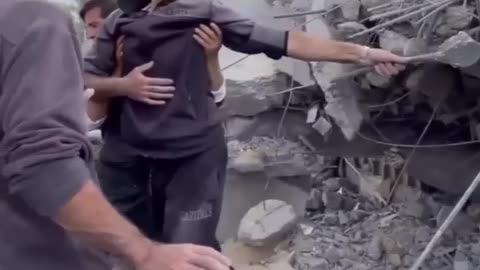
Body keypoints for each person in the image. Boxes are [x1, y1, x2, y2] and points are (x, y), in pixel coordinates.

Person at [84, 0, 407, 251]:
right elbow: (82, 79)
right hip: (126, 161)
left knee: (188, 250)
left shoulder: (204, 14)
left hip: (192, 159)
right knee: (129, 248)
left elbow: (287, 41)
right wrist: (123, 86)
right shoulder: (118, 24)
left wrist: (363, 53)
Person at [0, 1, 232, 270]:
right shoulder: (65, 43)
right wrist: (121, 83)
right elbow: (87, 119)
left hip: (190, 160)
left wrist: (211, 58)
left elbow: (216, 97)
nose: (93, 35)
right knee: (134, 243)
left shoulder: (178, 44)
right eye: (90, 28)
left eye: (98, 26)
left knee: (188, 244)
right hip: (123, 166)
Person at [80, 0, 226, 128]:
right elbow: (93, 120)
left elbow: (217, 98)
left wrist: (212, 57)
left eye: (94, 25)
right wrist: (119, 79)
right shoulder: (97, 66)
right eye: (87, 27)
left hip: (187, 142)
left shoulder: (184, 44)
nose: (90, 34)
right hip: (125, 148)